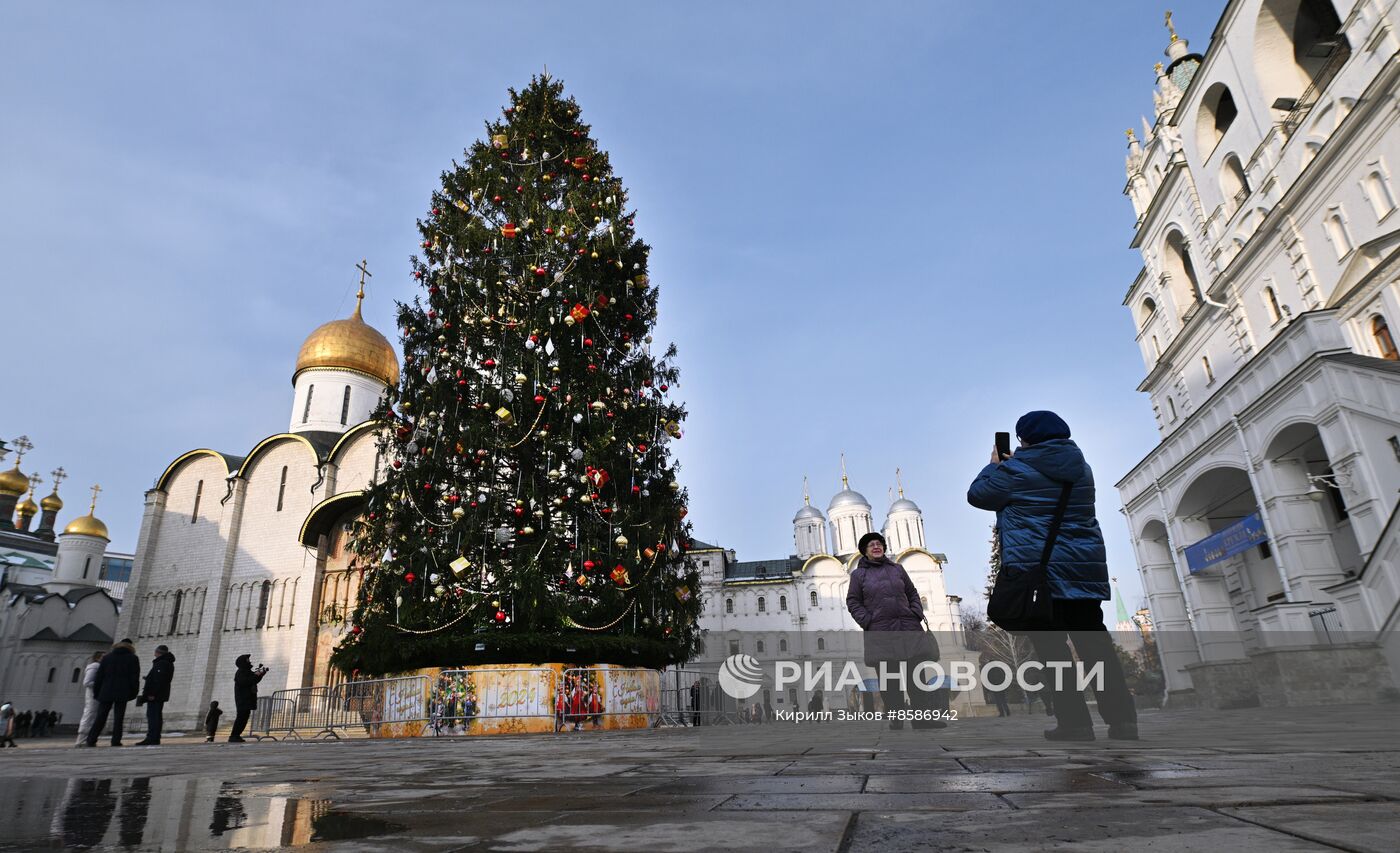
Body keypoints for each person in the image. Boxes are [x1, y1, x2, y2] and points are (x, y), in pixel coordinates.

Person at [968, 410, 1139, 742]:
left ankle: (1075, 724)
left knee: (1052, 650)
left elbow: (978, 495)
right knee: (1096, 647)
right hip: (1083, 573)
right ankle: (1123, 721)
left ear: (1024, 440)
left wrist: (994, 464)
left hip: (1039, 577)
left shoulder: (1015, 471)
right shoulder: (1081, 469)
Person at [846, 531, 945, 730]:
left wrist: (915, 612)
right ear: (865, 551)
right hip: (881, 631)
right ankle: (896, 717)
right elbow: (853, 601)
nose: (876, 547)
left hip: (907, 627)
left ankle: (922, 718)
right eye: (871, 545)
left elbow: (912, 592)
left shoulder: (898, 569)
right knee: (889, 678)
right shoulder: (859, 575)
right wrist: (867, 621)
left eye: (879, 544)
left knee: (916, 675)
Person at [85, 639, 141, 747]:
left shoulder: (107, 658)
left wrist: (97, 693)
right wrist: (134, 692)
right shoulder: (133, 658)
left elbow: (99, 677)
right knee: (119, 717)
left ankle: (91, 739)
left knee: (101, 716)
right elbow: (134, 677)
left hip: (106, 691)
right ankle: (115, 740)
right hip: (122, 691)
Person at [135, 645, 175, 746]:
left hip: (155, 695)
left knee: (153, 716)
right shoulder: (166, 662)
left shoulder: (162, 663)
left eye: (156, 652)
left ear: (158, 652)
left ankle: (152, 737)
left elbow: (158, 680)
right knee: (156, 715)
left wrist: (152, 693)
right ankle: (154, 737)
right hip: (160, 694)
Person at [228, 655, 268, 743]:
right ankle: (234, 735)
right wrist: (256, 675)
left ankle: (236, 735)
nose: (249, 661)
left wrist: (260, 674)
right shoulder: (241, 672)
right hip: (243, 699)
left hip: (247, 699)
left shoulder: (246, 671)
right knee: (241, 717)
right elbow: (246, 681)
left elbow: (253, 680)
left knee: (244, 717)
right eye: (247, 660)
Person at [75, 652, 105, 746]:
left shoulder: (100, 666)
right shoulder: (94, 666)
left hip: (97, 695)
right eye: (103, 656)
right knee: (89, 714)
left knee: (93, 715)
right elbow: (87, 682)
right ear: (98, 658)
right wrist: (102, 684)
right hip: (92, 695)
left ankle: (88, 738)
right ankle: (81, 739)